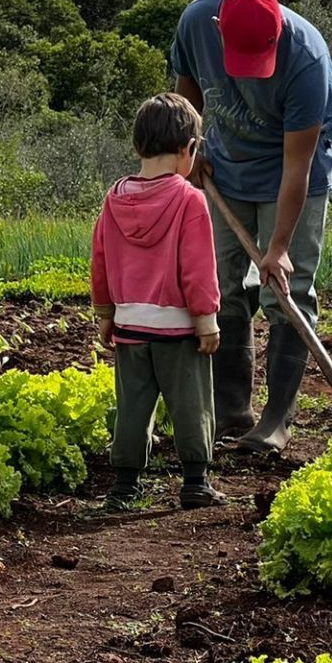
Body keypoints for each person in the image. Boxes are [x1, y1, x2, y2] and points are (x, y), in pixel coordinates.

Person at [170, 0, 332, 455]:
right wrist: (191, 148)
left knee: (287, 290)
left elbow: (296, 166)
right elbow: (185, 92)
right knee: (218, 282)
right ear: (218, 30)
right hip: (224, 165)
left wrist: (279, 247)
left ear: (277, 33)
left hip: (290, 171)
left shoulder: (307, 59)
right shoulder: (195, 22)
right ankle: (231, 410)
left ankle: (276, 421)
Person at [91, 93, 226, 510]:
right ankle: (196, 482)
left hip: (131, 325)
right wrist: (207, 321)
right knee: (191, 404)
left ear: (138, 147)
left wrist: (105, 314)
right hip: (179, 329)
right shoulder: (189, 200)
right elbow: (198, 268)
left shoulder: (114, 198)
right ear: (189, 150)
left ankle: (125, 485)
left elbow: (100, 259)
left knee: (133, 406)